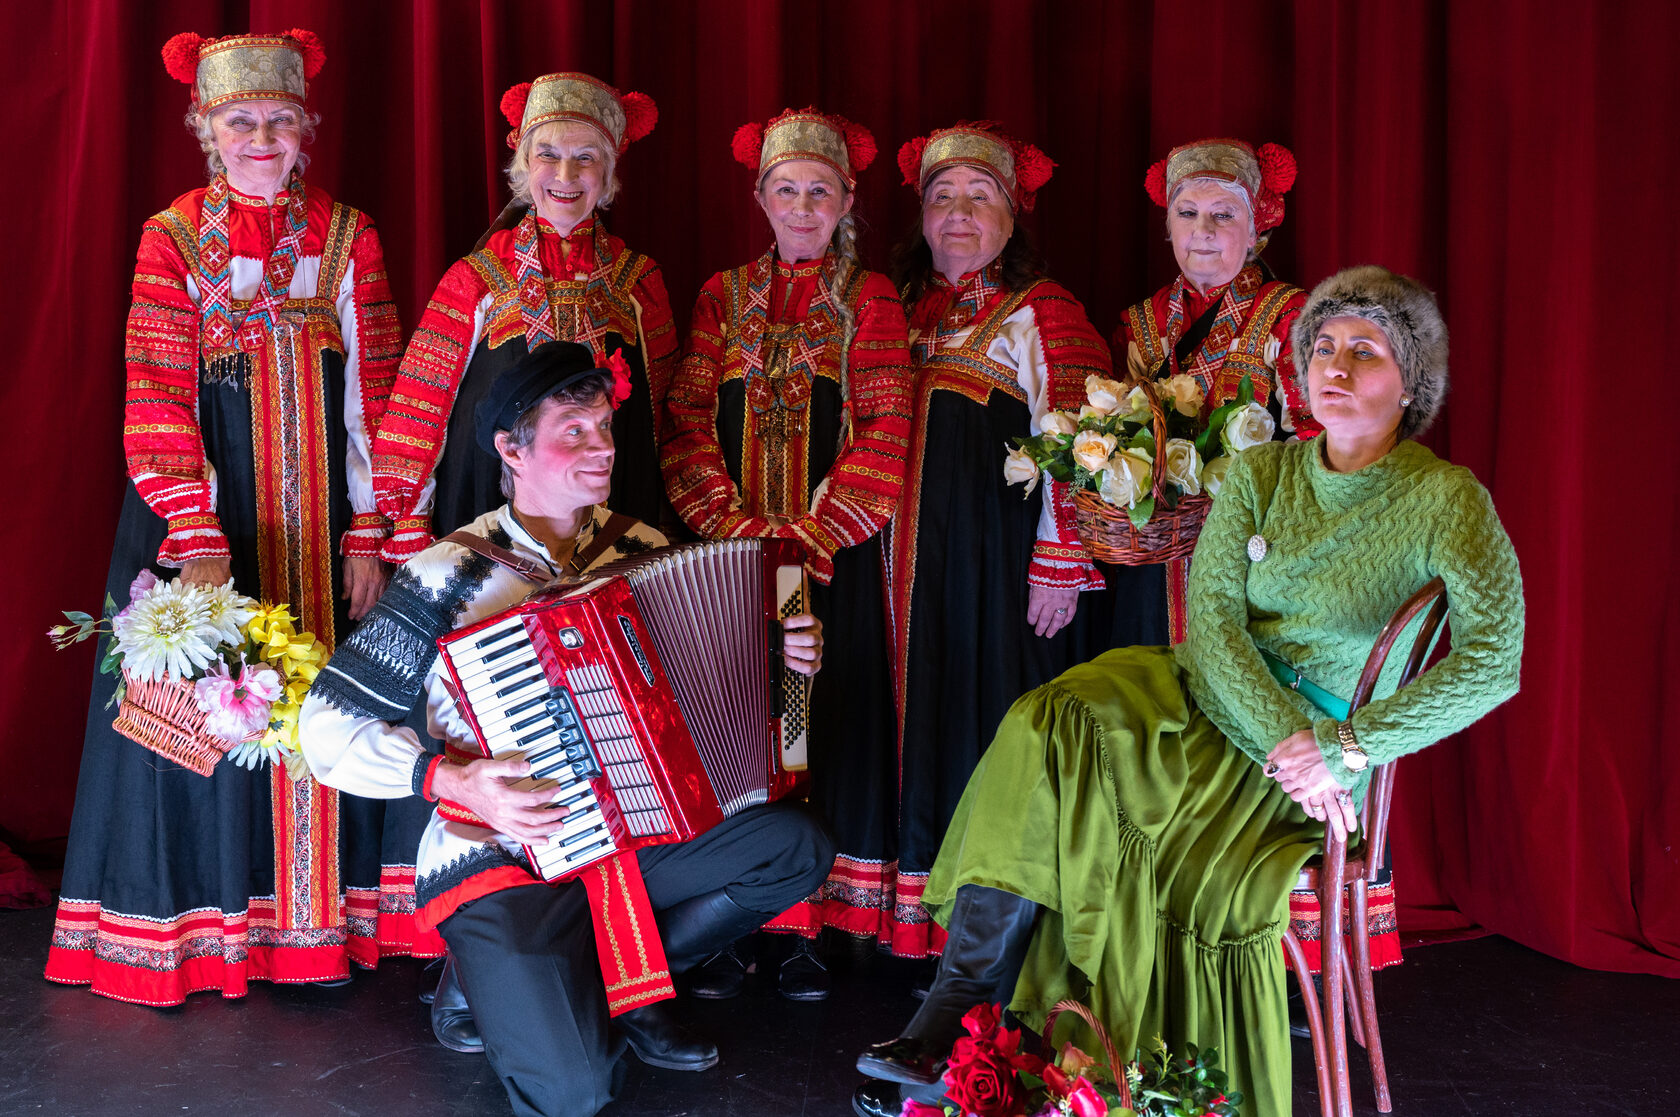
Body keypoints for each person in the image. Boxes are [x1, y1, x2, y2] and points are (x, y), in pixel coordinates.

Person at [853, 266, 1525, 1117]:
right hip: (1199, 697)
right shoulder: (1259, 473)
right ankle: (956, 1009)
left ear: (1412, 382)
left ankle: (1114, 1080)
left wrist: (1339, 748)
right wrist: (1288, 732)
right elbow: (1212, 627)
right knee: (1047, 718)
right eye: (1322, 346)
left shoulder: (1445, 497)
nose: (1337, 366)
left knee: (1152, 859)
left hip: (1307, 768)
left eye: (1366, 351)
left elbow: (1495, 662)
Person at [300, 340, 835, 1117]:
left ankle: (610, 983)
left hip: (633, 842)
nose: (602, 449)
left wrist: (784, 657)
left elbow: (707, 692)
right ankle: (511, 978)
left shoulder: (642, 551)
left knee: (797, 847)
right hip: (507, 853)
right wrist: (445, 778)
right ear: (511, 450)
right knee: (576, 1091)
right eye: (573, 431)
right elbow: (323, 725)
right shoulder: (446, 571)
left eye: (605, 429)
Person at [45, 29, 428, 1006]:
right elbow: (157, 393)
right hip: (215, 525)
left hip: (327, 533)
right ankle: (216, 934)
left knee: (339, 702)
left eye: (279, 121)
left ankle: (322, 925)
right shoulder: (171, 236)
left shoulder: (351, 235)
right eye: (240, 121)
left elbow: (377, 393)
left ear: (306, 131)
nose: (262, 137)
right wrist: (198, 538)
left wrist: (371, 530)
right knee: (206, 709)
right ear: (206, 131)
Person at [661, 107, 911, 995]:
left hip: (832, 561)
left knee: (821, 734)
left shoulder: (871, 297)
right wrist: (736, 535)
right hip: (730, 569)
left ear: (846, 200)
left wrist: (807, 542)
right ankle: (735, 914)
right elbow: (686, 423)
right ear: (760, 197)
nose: (802, 205)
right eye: (785, 189)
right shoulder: (721, 298)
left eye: (819, 190)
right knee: (731, 734)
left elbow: (887, 430)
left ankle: (811, 923)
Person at [880, 122, 1118, 958]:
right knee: (912, 728)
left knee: (990, 727)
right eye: (942, 196)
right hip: (899, 569)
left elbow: (1083, 442)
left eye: (979, 197)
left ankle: (985, 934)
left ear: (1012, 216)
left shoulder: (1041, 308)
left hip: (992, 567)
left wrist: (1058, 563)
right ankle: (910, 919)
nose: (957, 212)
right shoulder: (898, 307)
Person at [369, 71, 676, 559]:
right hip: (487, 509)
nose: (566, 176)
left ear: (609, 172)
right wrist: (407, 522)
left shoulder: (638, 280)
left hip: (613, 509)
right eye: (548, 155)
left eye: (585, 158)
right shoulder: (476, 277)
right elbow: (418, 409)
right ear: (523, 164)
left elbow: (663, 417)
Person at [1115, 137, 1316, 644]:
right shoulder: (1144, 321)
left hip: (1256, 556)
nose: (1202, 232)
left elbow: (1318, 442)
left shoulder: (1290, 316)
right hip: (1154, 559)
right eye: (1187, 213)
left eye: (1223, 215)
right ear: (1168, 227)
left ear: (1255, 232)